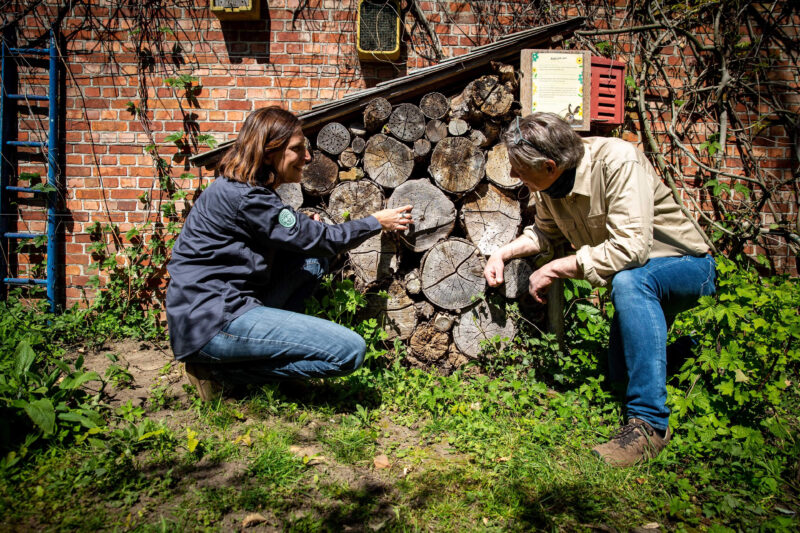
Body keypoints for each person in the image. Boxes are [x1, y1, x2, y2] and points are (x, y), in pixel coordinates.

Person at [484, 112, 715, 466]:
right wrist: (503, 252)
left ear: (549, 165)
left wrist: (556, 267)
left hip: (687, 267)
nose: (513, 175)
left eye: (518, 168)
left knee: (630, 279)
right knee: (618, 379)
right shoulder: (549, 184)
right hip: (639, 281)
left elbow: (631, 249)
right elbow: (545, 233)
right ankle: (694, 354)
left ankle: (650, 425)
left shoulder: (618, 161)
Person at [166, 106, 413, 402]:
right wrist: (376, 221)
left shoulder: (242, 189)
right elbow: (321, 238)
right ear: (269, 151)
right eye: (297, 149)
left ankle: (248, 363)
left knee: (312, 258)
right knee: (350, 351)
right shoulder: (247, 197)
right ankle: (223, 374)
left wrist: (304, 231)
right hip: (210, 321)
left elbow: (294, 235)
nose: (307, 157)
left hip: (221, 308)